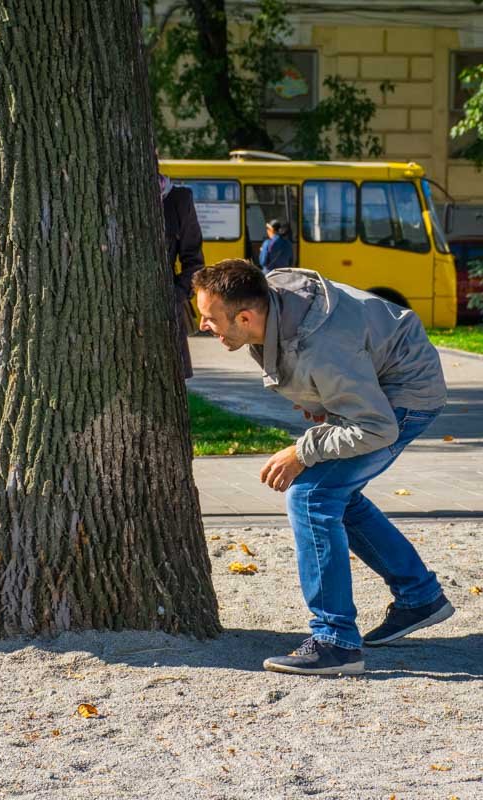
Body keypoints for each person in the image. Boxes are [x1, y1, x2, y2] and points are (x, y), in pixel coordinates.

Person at [193, 260, 452, 676]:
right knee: (336, 495)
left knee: (312, 495)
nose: (203, 326)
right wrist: (323, 400)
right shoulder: (271, 299)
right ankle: (419, 596)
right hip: (378, 386)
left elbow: (375, 426)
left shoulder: (321, 347)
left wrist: (303, 450)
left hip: (404, 398)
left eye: (209, 318)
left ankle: (336, 641)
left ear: (245, 316)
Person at [160, 165, 206, 378]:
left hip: (164, 309)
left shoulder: (178, 199)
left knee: (167, 380)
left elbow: (194, 261)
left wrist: (175, 295)